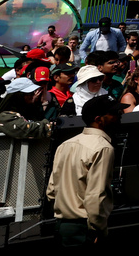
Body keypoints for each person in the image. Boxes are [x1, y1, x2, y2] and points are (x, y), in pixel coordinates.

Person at [47, 96, 123, 250]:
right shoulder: (103, 148)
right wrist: (97, 229)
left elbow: (51, 190)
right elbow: (96, 194)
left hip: (62, 225)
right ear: (98, 119)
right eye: (114, 113)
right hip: (85, 227)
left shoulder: (66, 144)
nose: (120, 115)